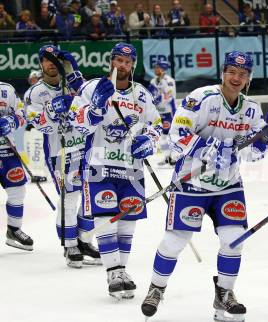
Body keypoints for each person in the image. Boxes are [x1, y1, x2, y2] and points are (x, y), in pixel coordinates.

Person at [140, 51, 268, 322]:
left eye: (243, 74)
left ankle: (224, 293)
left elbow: (252, 154)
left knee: (233, 241)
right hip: (192, 183)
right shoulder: (201, 98)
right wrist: (213, 148)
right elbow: (177, 136)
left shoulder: (251, 109)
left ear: (249, 78)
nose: (236, 78)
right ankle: (156, 288)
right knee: (175, 240)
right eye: (232, 72)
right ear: (223, 73)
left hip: (228, 185)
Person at [70, 42, 162, 299]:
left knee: (128, 221)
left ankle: (122, 270)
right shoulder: (91, 87)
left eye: (127, 61)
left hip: (130, 167)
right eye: (118, 60)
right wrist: (95, 109)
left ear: (132, 65)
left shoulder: (141, 94)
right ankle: (114, 271)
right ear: (111, 61)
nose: (122, 65)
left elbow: (156, 123)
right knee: (104, 216)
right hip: (98, 164)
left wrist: (151, 140)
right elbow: (76, 124)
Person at [25, 45, 100, 268]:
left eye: (55, 59)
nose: (51, 63)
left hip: (86, 148)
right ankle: (69, 245)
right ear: (40, 64)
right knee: (70, 197)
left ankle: (84, 241)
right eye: (46, 60)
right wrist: (50, 110)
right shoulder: (35, 93)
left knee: (90, 196)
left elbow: (93, 105)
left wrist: (75, 74)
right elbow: (36, 123)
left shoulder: (74, 84)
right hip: (60, 152)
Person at [0, 81, 33, 251]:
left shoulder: (7, 89)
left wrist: (11, 122)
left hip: (6, 150)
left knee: (18, 191)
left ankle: (13, 229)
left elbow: (22, 115)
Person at [149, 59, 176, 166]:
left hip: (168, 112)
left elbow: (169, 96)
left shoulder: (169, 80)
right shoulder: (153, 81)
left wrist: (158, 99)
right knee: (161, 137)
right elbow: (150, 94)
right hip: (157, 113)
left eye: (157, 67)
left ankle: (173, 157)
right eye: (155, 67)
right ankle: (167, 158)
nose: (155, 69)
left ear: (163, 68)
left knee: (169, 136)